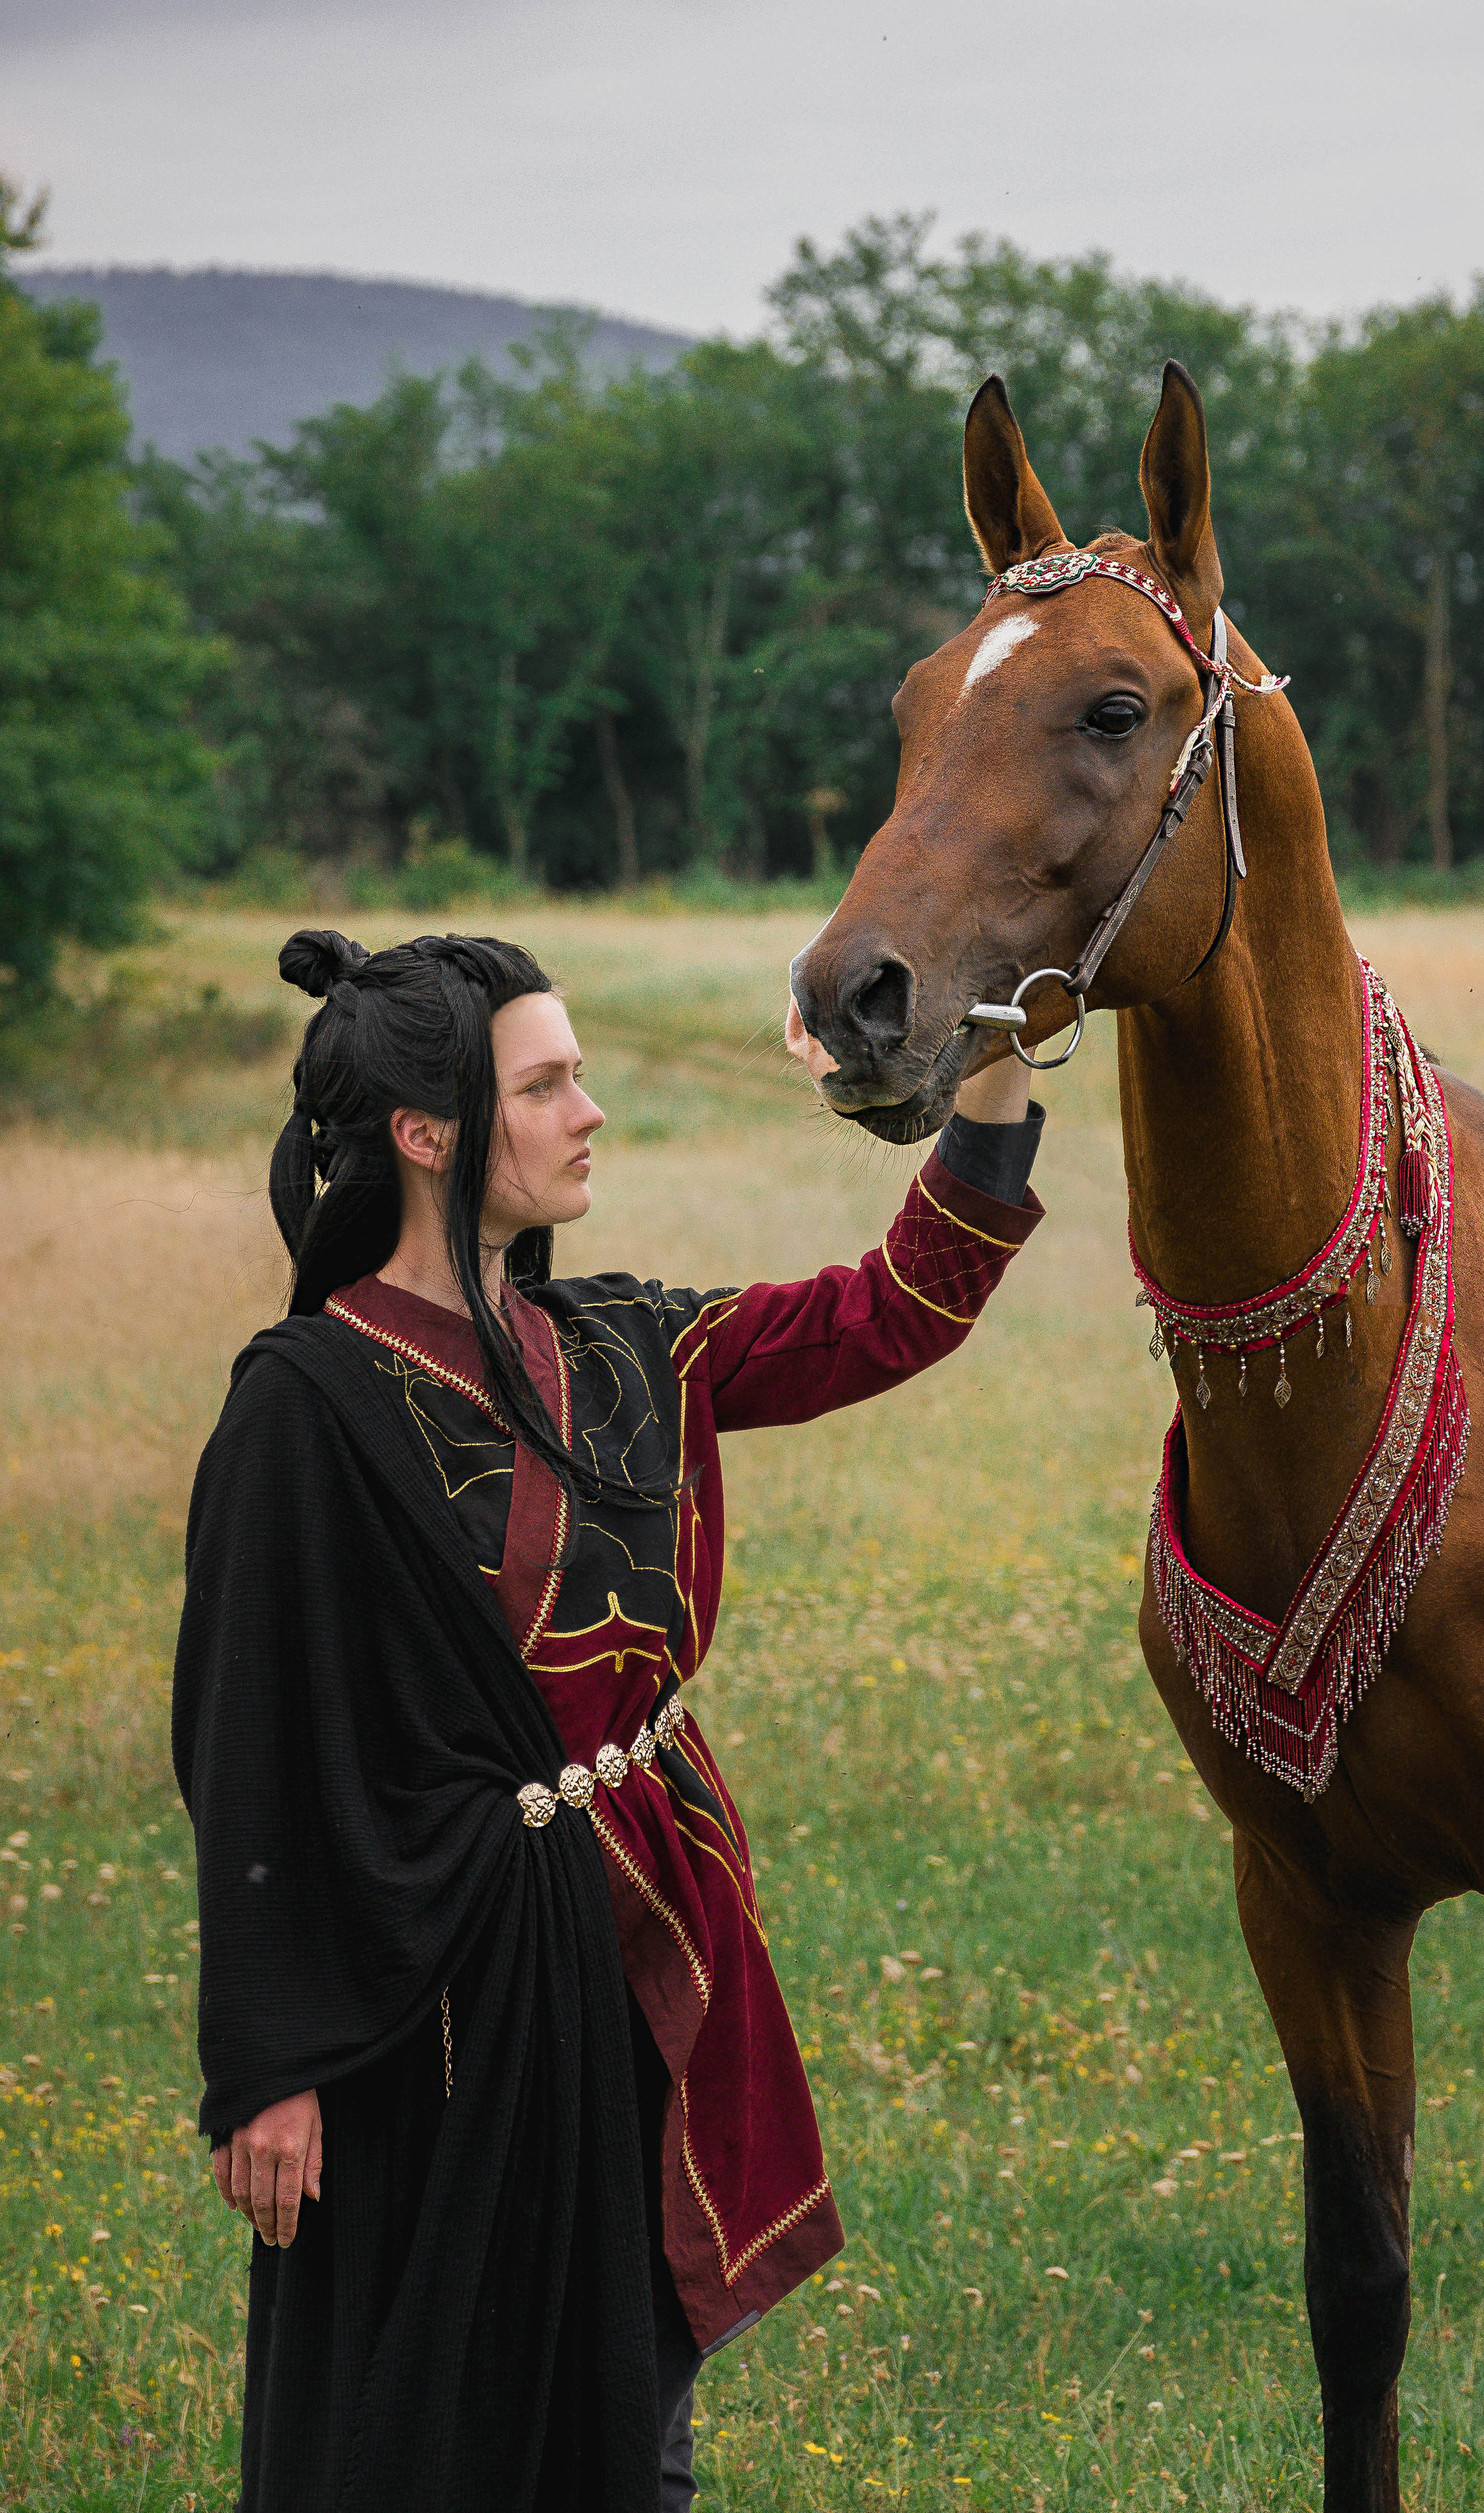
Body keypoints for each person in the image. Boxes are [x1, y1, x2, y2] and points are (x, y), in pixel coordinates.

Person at [172, 928, 1044, 2513]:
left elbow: (895, 1311)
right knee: (433, 2417)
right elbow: (248, 1754)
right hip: (431, 1995)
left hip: (643, 1940)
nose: (590, 1113)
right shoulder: (304, 1404)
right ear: (429, 1136)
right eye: (548, 1084)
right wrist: (265, 2068)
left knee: (632, 2387)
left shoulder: (628, 1343)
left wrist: (990, 1063)